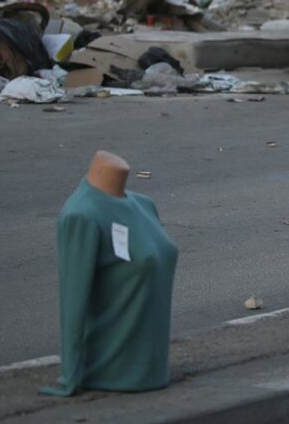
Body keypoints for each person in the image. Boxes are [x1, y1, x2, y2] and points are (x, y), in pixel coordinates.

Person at [42, 150, 178, 396]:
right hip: (110, 371)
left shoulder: (144, 205)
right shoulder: (81, 216)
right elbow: (72, 301)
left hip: (155, 372)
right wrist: (70, 376)